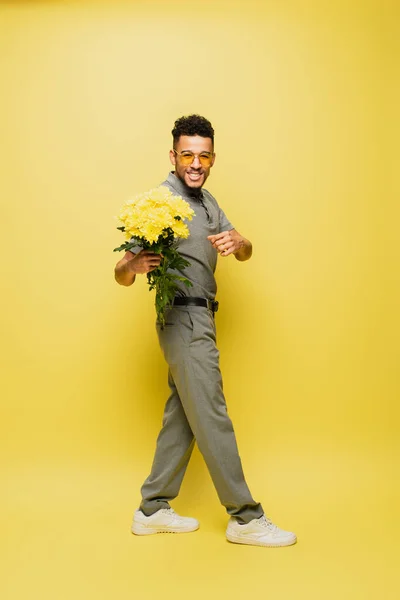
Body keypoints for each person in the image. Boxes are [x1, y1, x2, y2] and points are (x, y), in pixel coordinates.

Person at [114, 115, 297, 547]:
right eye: (187, 154)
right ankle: (245, 516)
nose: (196, 163)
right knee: (212, 415)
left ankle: (152, 507)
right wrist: (131, 266)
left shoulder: (209, 202)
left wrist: (242, 243)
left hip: (204, 317)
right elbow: (122, 272)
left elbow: (243, 248)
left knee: (184, 415)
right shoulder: (159, 204)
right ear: (173, 156)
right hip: (181, 318)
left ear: (212, 157)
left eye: (204, 155)